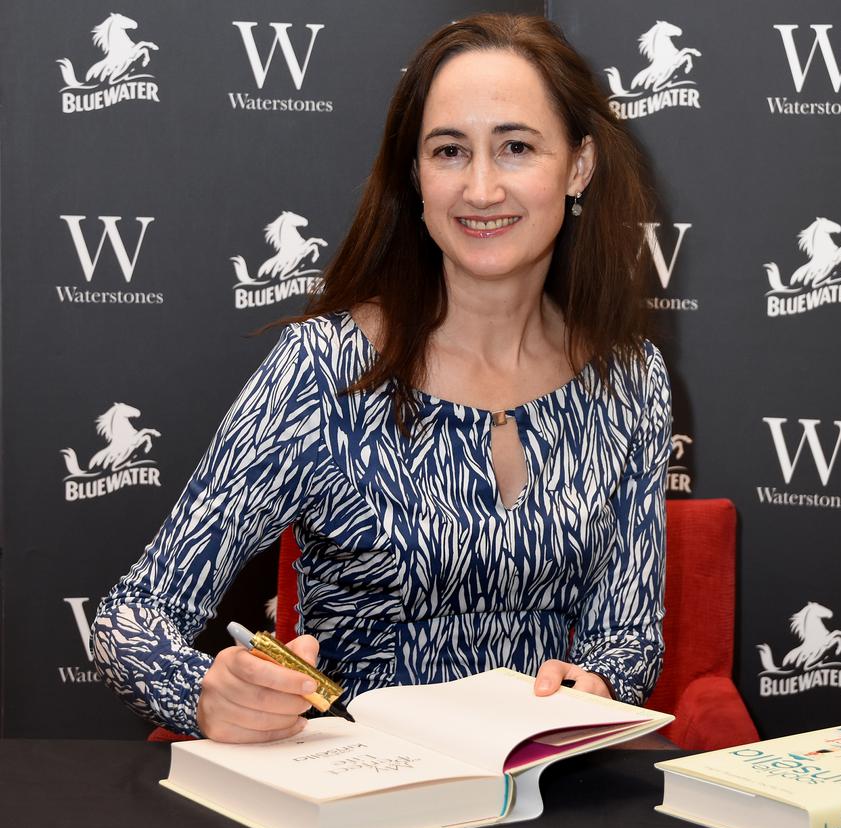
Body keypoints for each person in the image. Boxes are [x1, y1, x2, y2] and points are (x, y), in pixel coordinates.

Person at [92, 14, 670, 744]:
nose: (482, 187)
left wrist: (601, 681)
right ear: (415, 175)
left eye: (516, 147)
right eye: (449, 151)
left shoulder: (630, 379)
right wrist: (205, 694)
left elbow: (627, 636)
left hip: (546, 796)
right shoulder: (323, 371)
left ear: (578, 167)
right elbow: (130, 615)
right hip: (362, 800)